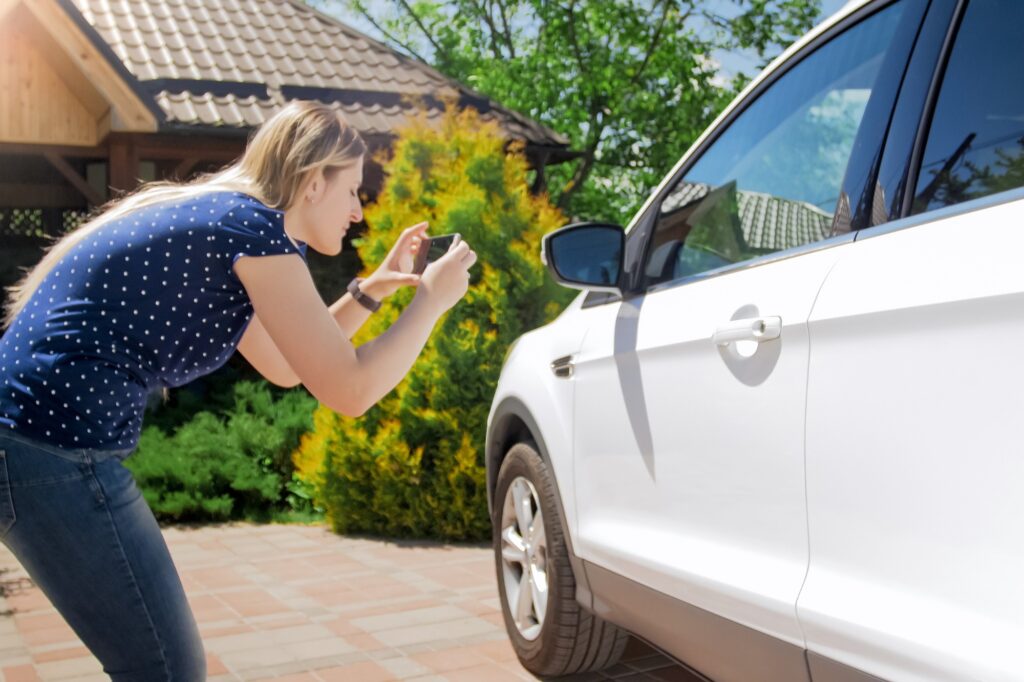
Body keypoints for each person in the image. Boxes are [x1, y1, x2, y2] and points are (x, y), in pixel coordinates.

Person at [0, 100, 477, 681]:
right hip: (48, 447)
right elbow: (350, 392)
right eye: (352, 190)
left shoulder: (235, 226)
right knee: (164, 668)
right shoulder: (252, 231)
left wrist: (373, 290)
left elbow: (285, 363)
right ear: (310, 182)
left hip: (31, 441)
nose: (358, 210)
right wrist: (431, 301)